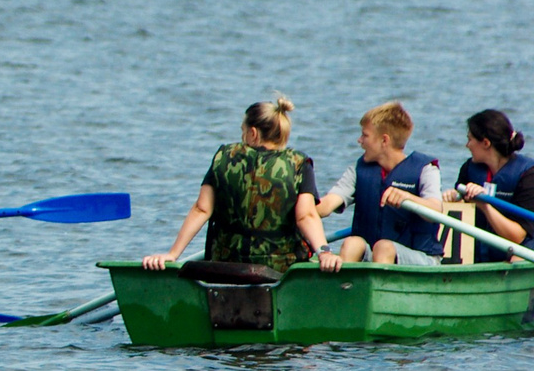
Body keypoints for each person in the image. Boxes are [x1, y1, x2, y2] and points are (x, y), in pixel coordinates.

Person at [141, 97, 340, 274]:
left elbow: (202, 209)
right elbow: (306, 216)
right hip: (281, 268)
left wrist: (173, 254)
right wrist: (325, 253)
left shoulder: (224, 156)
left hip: (226, 264)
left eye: (242, 131)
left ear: (253, 133)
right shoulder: (298, 163)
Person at [312, 102, 443, 266]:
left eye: (365, 135)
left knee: (384, 248)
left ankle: (380, 281)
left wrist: (408, 198)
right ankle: (346, 282)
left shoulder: (426, 169)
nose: (359, 141)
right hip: (375, 255)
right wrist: (299, 202)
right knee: (352, 243)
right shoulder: (359, 170)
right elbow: (325, 206)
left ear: (384, 140)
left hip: (421, 259)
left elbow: (436, 209)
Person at [449, 109, 534, 251]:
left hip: (518, 248)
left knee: (518, 256)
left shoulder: (528, 175)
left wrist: (485, 206)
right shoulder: (468, 168)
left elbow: (517, 237)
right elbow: (461, 212)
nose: (467, 145)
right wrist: (453, 200)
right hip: (479, 248)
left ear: (486, 143)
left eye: (470, 140)